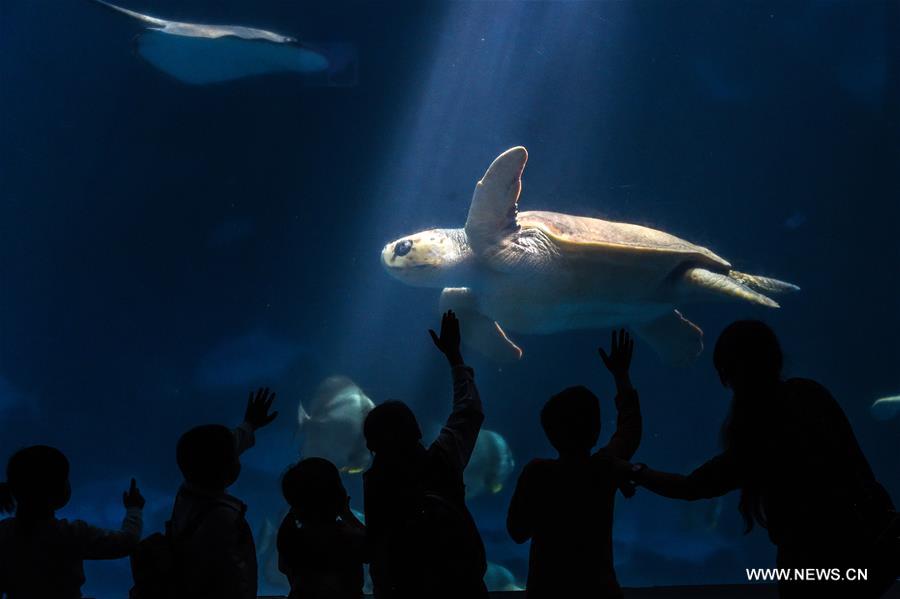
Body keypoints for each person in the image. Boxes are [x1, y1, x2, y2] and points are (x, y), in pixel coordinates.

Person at [624, 320, 898, 598]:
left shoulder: (758, 432)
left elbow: (692, 486)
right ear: (775, 358)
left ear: (729, 375)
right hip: (868, 546)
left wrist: (635, 471)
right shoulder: (810, 393)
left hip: (809, 563)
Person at [506, 329, 642, 599]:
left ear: (549, 432)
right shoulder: (603, 469)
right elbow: (630, 431)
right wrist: (621, 376)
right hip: (598, 589)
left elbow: (517, 532)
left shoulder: (537, 473)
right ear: (596, 430)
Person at [362, 310, 487, 599]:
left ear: (371, 446)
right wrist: (454, 357)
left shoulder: (375, 482)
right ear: (417, 431)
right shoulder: (443, 459)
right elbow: (469, 412)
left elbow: (377, 551)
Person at [169, 387, 278, 599]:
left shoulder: (187, 492)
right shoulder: (221, 518)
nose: (238, 459)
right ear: (228, 470)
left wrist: (249, 425)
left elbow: (222, 449)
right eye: (235, 457)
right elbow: (233, 576)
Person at [0, 445, 145, 598]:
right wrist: (134, 509)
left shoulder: (4, 534)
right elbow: (128, 541)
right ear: (55, 490)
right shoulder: (71, 534)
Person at [277, 457, 367, 599]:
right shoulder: (345, 535)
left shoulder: (290, 534)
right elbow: (372, 548)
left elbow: (282, 567)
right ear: (339, 496)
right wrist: (346, 514)